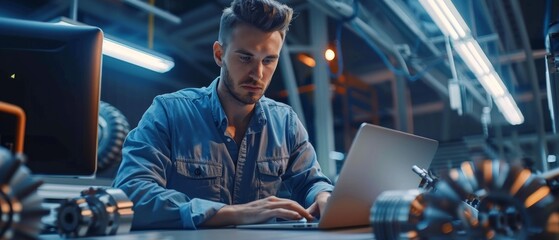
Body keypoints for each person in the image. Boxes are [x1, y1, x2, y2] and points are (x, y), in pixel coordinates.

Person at [113, 0, 334, 230]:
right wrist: (232, 214)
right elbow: (131, 194)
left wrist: (324, 196)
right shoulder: (169, 112)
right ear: (219, 54)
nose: (258, 74)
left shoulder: (285, 123)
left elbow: (312, 183)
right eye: (245, 58)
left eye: (269, 60)